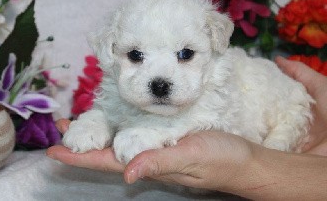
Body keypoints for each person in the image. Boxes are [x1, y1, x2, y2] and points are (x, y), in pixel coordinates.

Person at [47, 56, 327, 200]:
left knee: (281, 127)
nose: (160, 78)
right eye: (136, 55)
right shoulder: (122, 87)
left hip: (279, 109)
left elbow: (211, 123)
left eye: (184, 54)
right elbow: (112, 108)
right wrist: (98, 121)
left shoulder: (218, 88)